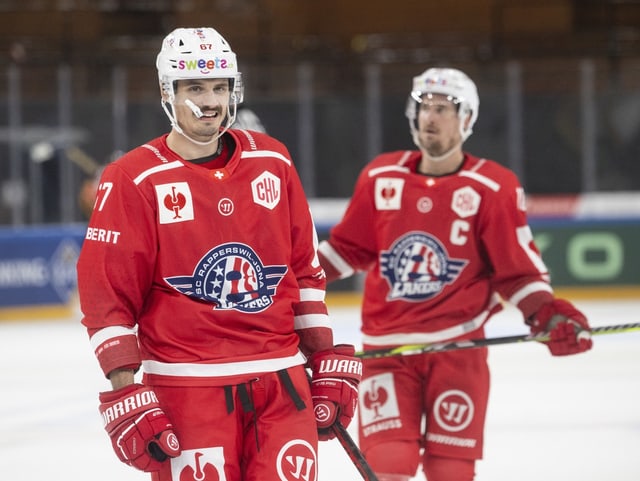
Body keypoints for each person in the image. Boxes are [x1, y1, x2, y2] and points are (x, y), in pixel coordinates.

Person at [76, 27, 361, 481]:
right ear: (168, 91)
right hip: (188, 391)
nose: (209, 100)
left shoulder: (274, 161)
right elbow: (106, 297)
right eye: (195, 87)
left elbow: (304, 272)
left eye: (218, 86)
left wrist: (322, 358)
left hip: (282, 385)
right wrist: (124, 387)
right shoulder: (133, 178)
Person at [317, 67, 593, 481]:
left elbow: (516, 273)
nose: (431, 116)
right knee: (388, 466)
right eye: (424, 107)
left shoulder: (492, 187)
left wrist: (547, 313)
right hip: (387, 353)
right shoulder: (380, 176)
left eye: (443, 108)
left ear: (467, 119)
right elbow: (345, 250)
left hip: (458, 351)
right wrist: (290, 282)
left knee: (451, 472)